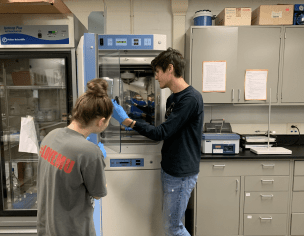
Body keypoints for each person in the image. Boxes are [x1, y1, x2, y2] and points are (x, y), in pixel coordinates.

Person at [111, 47, 204, 236]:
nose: (156, 77)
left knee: (173, 227)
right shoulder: (173, 98)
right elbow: (169, 129)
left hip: (181, 173)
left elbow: (162, 132)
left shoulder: (190, 98)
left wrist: (130, 121)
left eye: (158, 72)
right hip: (170, 169)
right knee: (174, 223)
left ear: (170, 69)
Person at [37, 78, 113, 236]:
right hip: (73, 230)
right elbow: (98, 193)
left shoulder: (51, 136)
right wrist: (98, 162)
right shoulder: (89, 152)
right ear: (101, 121)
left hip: (47, 228)